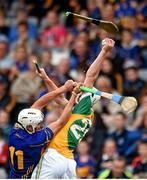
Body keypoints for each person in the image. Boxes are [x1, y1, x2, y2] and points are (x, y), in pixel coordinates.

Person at [31, 38, 115, 179]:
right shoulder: (83, 112)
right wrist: (46, 78)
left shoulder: (82, 107)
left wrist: (104, 51)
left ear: (86, 99)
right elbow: (58, 98)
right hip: (69, 162)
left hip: (54, 156)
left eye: (82, 93)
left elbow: (91, 75)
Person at [9, 80, 80, 178]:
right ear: (30, 127)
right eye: (38, 124)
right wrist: (74, 95)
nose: (41, 126)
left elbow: (39, 104)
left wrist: (63, 88)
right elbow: (61, 122)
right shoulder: (34, 141)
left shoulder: (17, 128)